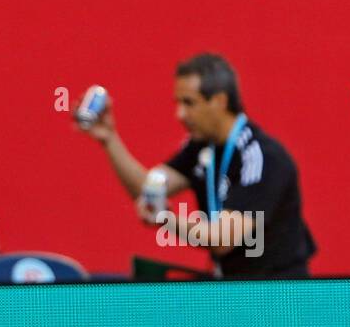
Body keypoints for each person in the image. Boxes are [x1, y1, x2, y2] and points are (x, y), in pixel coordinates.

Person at [76, 53, 315, 278]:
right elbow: (148, 190)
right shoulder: (201, 147)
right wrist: (109, 139)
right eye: (178, 103)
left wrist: (166, 218)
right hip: (234, 286)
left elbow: (222, 239)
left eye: (189, 103)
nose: (180, 114)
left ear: (219, 101)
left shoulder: (262, 158)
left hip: (278, 294)